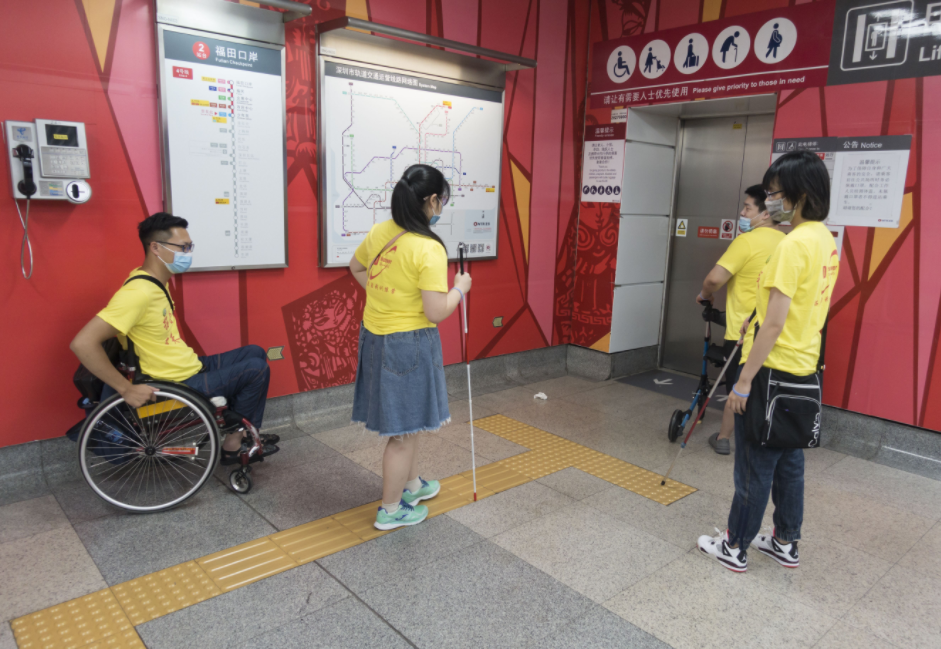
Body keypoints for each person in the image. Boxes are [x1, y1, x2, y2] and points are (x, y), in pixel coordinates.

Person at [697, 151, 838, 572]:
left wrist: (743, 382)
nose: (771, 199)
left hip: (771, 371)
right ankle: (785, 541)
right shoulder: (824, 238)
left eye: (775, 192)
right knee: (790, 462)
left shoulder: (792, 245)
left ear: (800, 195)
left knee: (755, 464)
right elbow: (796, 309)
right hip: (804, 367)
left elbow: (775, 324)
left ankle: (734, 546)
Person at [70, 213, 278, 466]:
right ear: (155, 247)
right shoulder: (137, 293)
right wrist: (126, 389)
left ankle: (237, 428)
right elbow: (82, 343)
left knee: (255, 352)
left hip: (185, 366)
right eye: (183, 247)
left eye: (190, 247)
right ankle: (234, 444)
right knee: (256, 370)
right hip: (173, 381)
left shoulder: (155, 282)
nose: (188, 253)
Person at [349, 164, 472, 531]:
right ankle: (390, 510)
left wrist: (386, 300)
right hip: (408, 346)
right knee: (402, 434)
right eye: (442, 199)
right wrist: (460, 288)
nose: (442, 205)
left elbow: (356, 267)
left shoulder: (381, 231)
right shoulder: (428, 248)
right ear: (431, 200)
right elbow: (436, 312)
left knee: (411, 421)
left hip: (375, 338)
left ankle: (413, 485)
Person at [696, 185, 784, 455]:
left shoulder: (746, 242)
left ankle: (724, 438)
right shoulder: (787, 243)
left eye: (747, 208)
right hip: (776, 331)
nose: (743, 213)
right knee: (764, 386)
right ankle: (768, 436)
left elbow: (714, 279)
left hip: (742, 333)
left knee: (739, 386)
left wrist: (704, 295)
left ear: (765, 214)